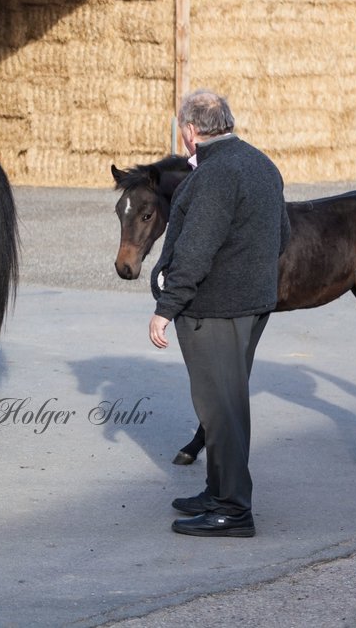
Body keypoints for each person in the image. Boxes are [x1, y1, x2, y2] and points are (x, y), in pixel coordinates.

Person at [148, 88, 289, 538]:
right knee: (225, 404)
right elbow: (282, 236)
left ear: (190, 131)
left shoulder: (214, 176)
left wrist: (165, 310)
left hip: (216, 310)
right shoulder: (261, 163)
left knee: (220, 408)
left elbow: (194, 251)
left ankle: (232, 510)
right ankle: (217, 491)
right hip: (250, 306)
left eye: (181, 128)